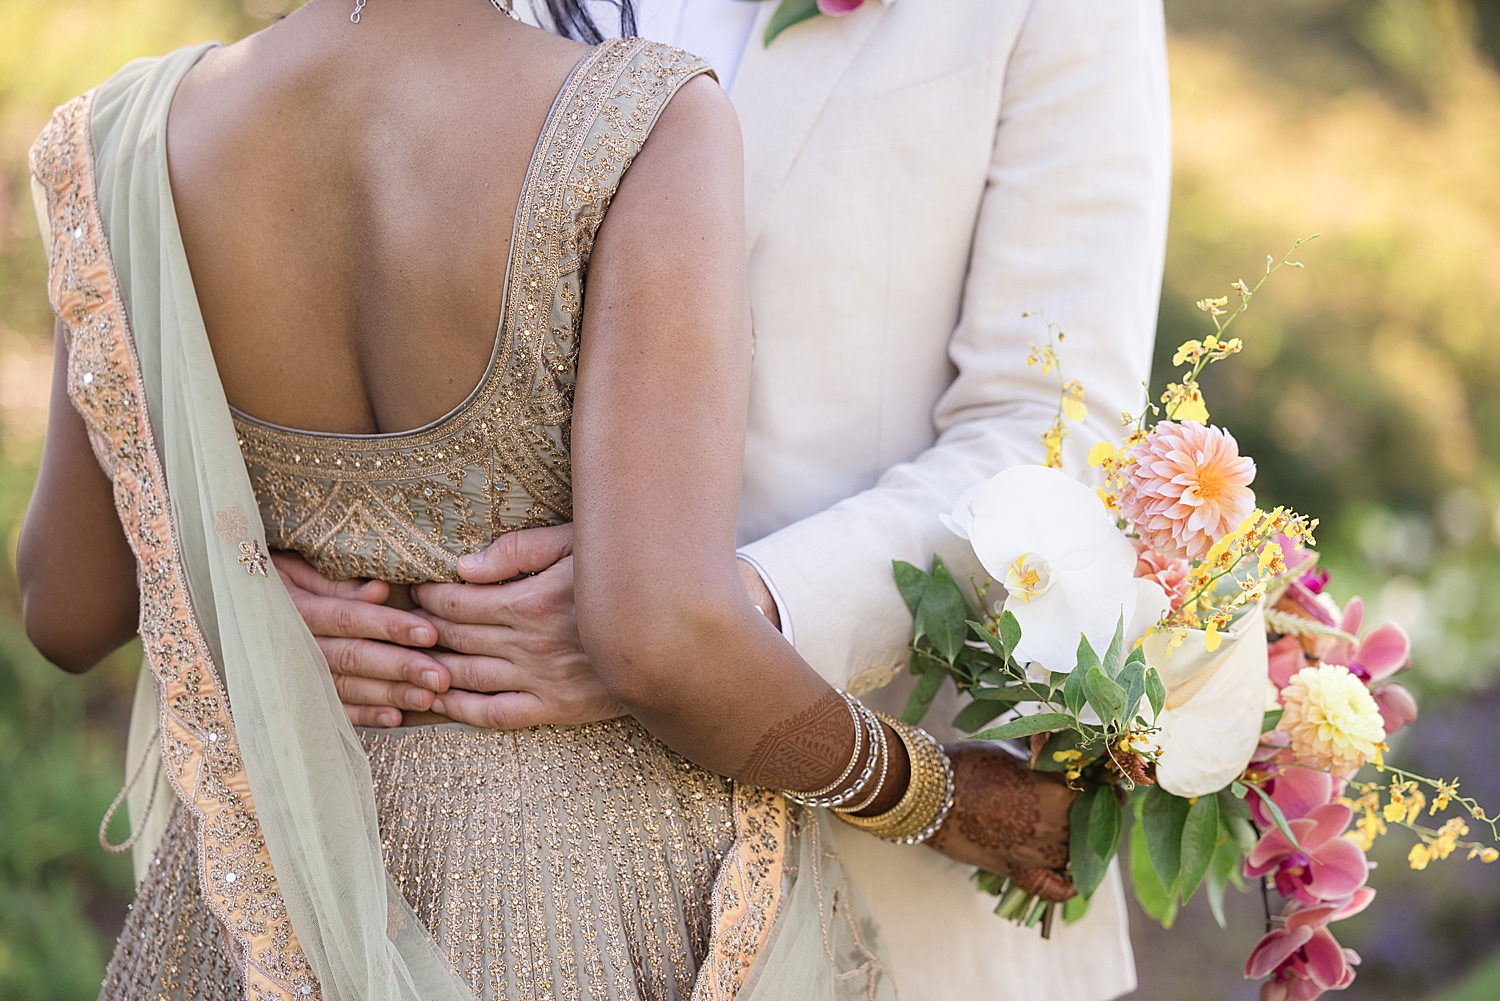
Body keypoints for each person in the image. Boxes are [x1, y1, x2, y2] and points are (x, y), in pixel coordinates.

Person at [17, 1, 1080, 999]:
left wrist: (255, 610)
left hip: (269, 881)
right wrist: (928, 792)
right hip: (579, 899)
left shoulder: (126, 139)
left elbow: (66, 608)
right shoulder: (637, 123)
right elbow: (657, 635)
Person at [300, 2, 1172, 999]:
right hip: (452, 880)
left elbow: (1048, 431)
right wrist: (273, 585)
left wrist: (712, 622)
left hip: (876, 886)